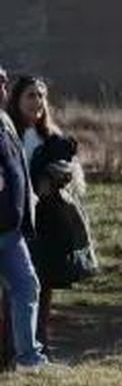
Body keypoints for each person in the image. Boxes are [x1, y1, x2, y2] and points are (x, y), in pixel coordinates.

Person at [8, 76, 96, 358]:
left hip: (46, 220)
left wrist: (56, 176)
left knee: (40, 285)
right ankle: (11, 349)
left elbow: (69, 174)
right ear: (17, 100)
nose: (36, 102)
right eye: (30, 96)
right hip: (14, 217)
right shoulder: (9, 133)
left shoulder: (52, 137)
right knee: (14, 287)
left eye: (41, 96)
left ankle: (38, 345)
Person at [0, 72, 48, 369]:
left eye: (3, 83)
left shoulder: (4, 122)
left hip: (10, 228)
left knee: (27, 286)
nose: (2, 89)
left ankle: (29, 358)